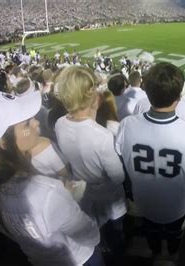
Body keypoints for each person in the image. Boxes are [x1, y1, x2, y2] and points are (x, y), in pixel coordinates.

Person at [0, 91, 101, 265]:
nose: (36, 122)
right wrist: (68, 199)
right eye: (26, 124)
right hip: (80, 259)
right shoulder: (46, 192)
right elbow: (90, 236)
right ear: (4, 142)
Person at [115, 62, 185, 263]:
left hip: (143, 201)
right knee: (174, 234)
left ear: (147, 93)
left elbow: (121, 164)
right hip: (177, 204)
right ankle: (172, 255)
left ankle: (156, 254)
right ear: (179, 96)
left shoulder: (127, 125)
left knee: (151, 231)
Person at [54, 66, 126, 258]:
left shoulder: (60, 123)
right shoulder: (102, 136)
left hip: (84, 192)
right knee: (116, 234)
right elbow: (118, 177)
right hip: (108, 195)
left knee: (99, 232)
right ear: (91, 95)